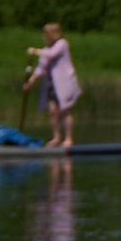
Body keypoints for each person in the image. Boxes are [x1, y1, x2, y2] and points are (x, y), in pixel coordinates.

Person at [22, 17, 81, 154]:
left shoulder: (62, 44)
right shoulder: (45, 49)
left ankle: (69, 138)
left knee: (64, 111)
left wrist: (35, 51)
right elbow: (41, 68)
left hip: (64, 83)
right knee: (53, 112)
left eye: (46, 34)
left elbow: (52, 54)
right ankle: (56, 137)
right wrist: (30, 82)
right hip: (51, 84)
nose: (44, 37)